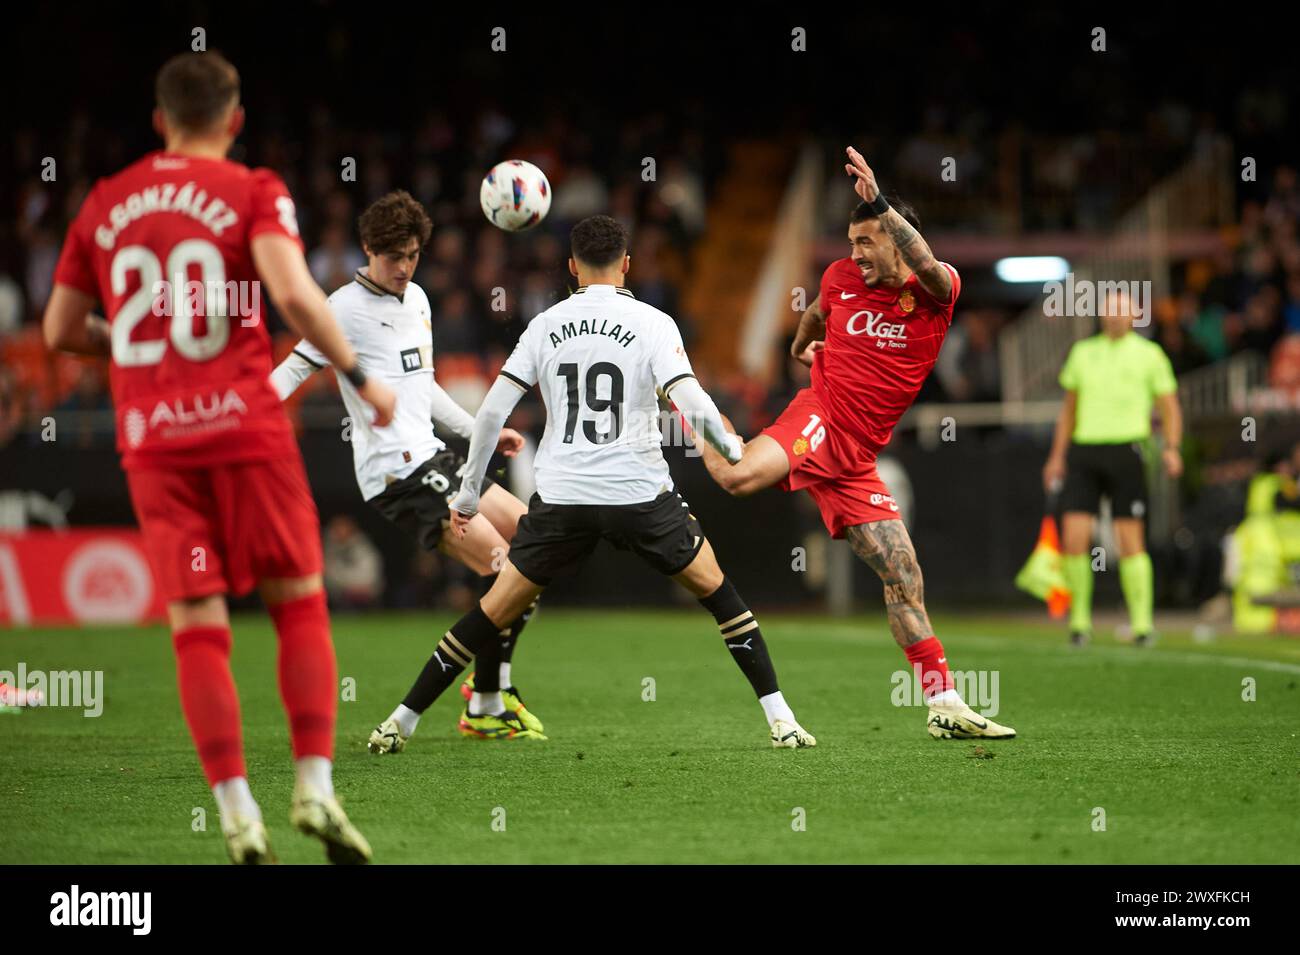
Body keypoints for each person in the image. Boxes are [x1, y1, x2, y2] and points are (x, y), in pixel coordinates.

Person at [42, 51, 397, 864]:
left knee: (197, 626)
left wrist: (128, 343)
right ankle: (313, 786)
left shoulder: (104, 202)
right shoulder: (252, 188)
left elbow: (62, 329)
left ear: (160, 119)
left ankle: (237, 813)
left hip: (155, 442)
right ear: (233, 121)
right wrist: (360, 374)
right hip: (243, 429)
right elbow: (296, 293)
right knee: (298, 601)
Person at [370, 215, 816, 752]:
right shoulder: (654, 323)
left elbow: (490, 414)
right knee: (723, 598)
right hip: (639, 494)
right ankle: (781, 720)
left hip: (563, 499)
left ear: (571, 266)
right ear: (626, 264)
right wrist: (731, 449)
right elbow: (692, 403)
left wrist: (467, 495)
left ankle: (402, 719)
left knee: (491, 612)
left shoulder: (544, 324)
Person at [695, 147, 1015, 740]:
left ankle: (943, 704)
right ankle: (693, 408)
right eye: (851, 242)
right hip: (822, 416)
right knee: (735, 477)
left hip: (858, 457)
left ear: (896, 240)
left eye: (866, 242)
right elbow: (818, 312)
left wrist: (882, 205)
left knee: (903, 572)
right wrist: (798, 348)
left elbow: (925, 260)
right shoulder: (841, 277)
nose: (855, 255)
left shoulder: (936, 292)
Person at [272, 190, 544, 744]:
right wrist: (241, 415)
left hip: (434, 455)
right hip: (397, 474)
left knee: (538, 540)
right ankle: (475, 704)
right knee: (503, 567)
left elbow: (424, 387)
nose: (403, 267)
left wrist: (479, 433)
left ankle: (491, 696)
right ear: (369, 249)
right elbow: (291, 373)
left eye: (413, 255)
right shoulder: (342, 310)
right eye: (394, 256)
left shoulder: (417, 299)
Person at [1043, 289, 1182, 646]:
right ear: (1102, 316)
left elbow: (1169, 408)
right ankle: (1080, 623)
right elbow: (1068, 411)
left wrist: (1172, 447)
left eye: (1122, 311)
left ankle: (1142, 625)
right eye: (1110, 311)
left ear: (1135, 315)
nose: (1116, 317)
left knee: (1129, 541)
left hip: (1128, 450)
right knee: (1075, 538)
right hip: (1085, 450)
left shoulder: (1150, 355)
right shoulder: (1083, 353)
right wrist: (1057, 455)